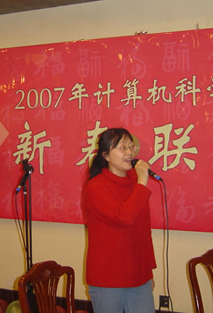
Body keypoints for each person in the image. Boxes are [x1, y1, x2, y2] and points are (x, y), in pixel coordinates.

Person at [82, 128, 157, 313]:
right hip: (108, 279)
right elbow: (124, 217)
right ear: (106, 155)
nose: (129, 152)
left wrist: (148, 271)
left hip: (139, 276)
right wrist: (142, 182)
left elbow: (143, 231)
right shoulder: (96, 187)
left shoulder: (135, 182)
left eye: (131, 146)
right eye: (122, 147)